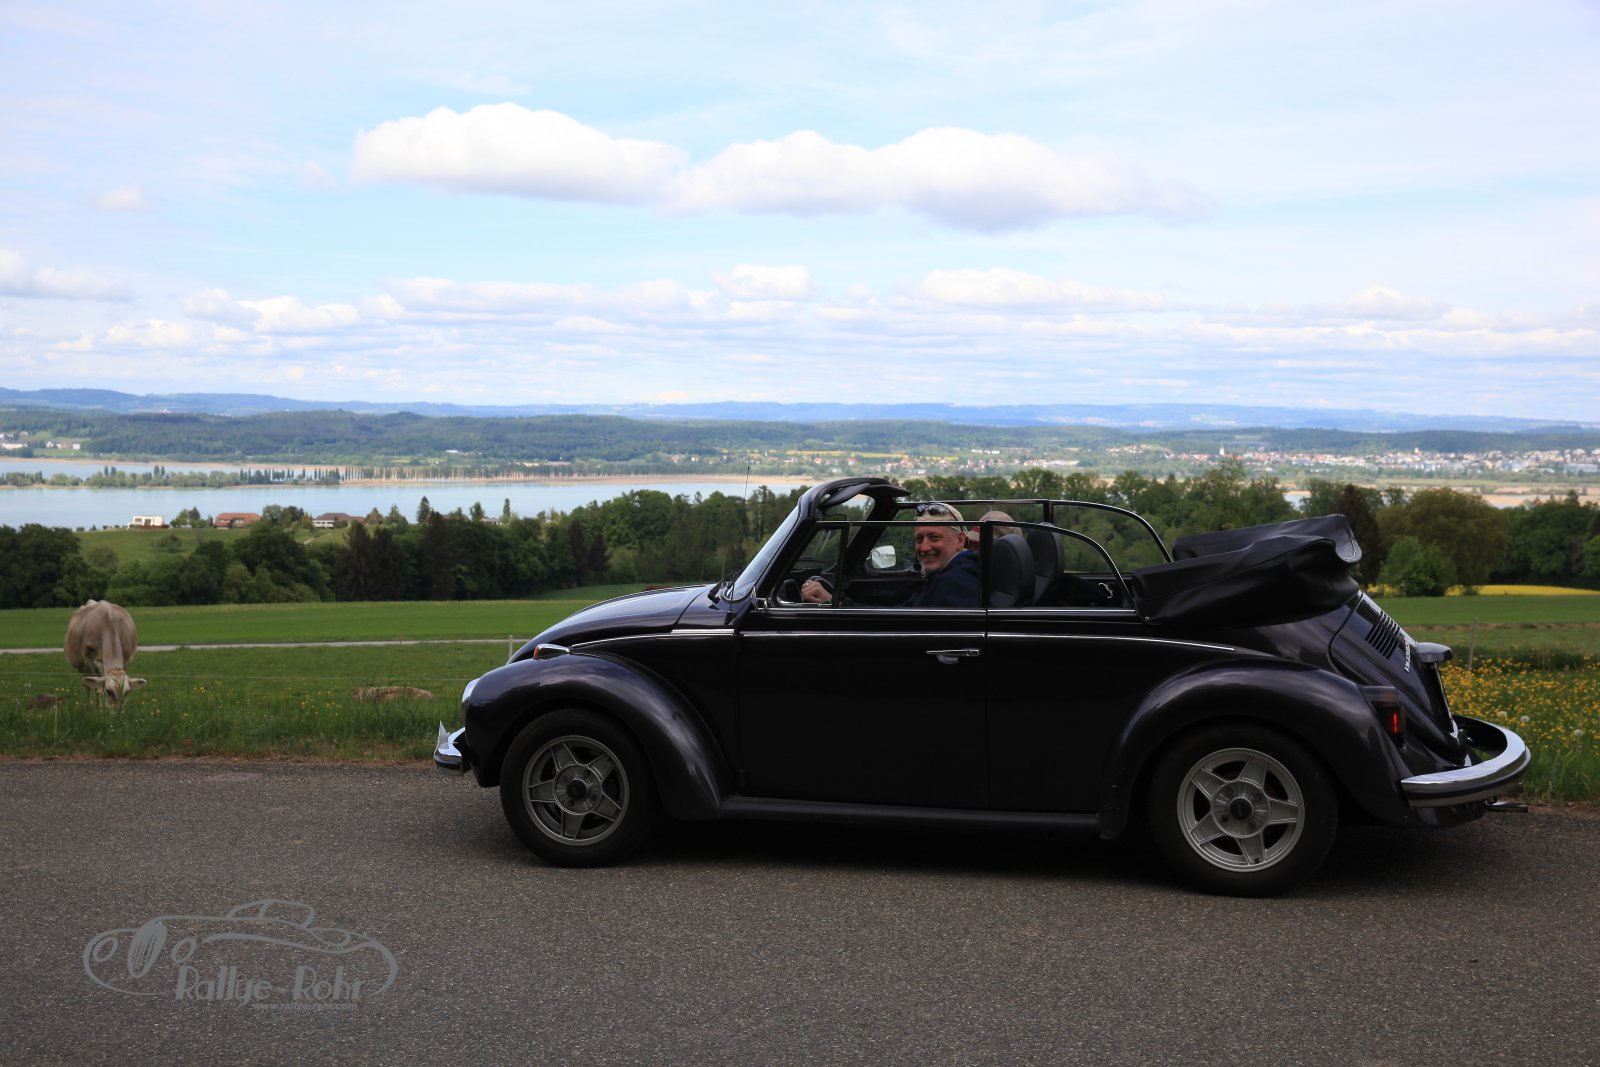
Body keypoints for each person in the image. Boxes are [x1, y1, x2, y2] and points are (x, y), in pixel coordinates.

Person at [801, 501, 980, 608]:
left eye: (934, 538)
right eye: (919, 539)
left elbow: (903, 627)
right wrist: (839, 604)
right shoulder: (945, 575)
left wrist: (832, 604)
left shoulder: (955, 582)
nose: (924, 548)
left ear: (960, 541)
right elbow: (901, 613)